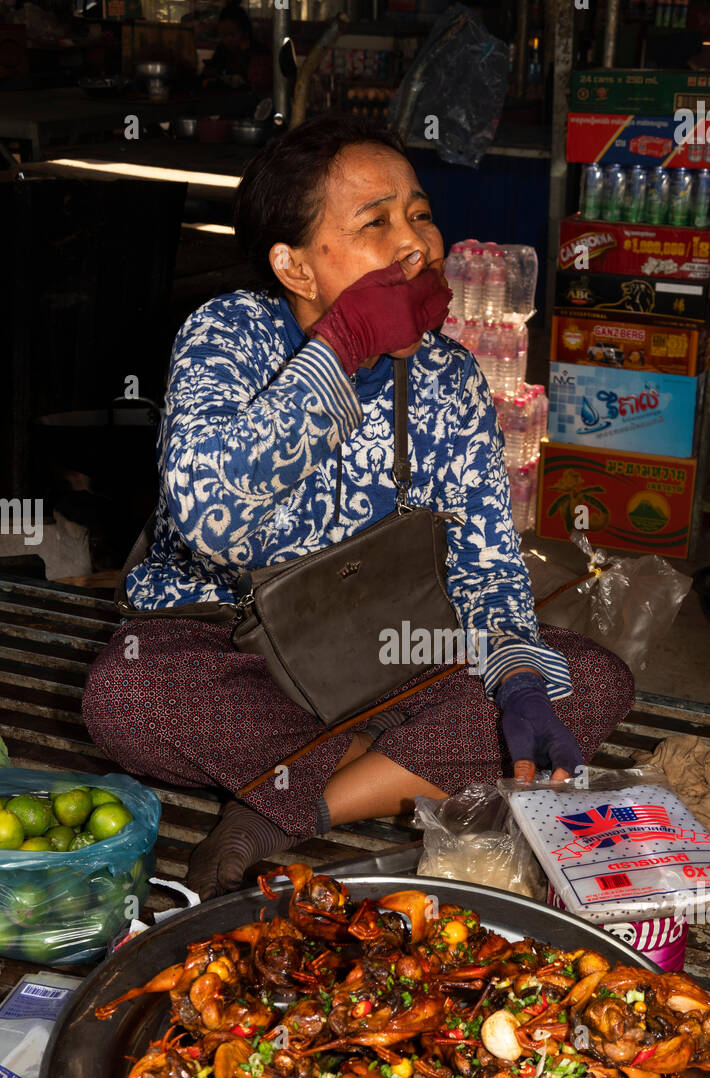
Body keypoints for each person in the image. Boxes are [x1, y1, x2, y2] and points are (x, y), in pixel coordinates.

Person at [82, 115, 635, 899]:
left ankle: (282, 809)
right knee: (127, 697)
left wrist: (515, 681)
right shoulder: (227, 335)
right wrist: (340, 349)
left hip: (389, 654)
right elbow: (212, 519)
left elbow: (486, 562)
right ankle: (403, 762)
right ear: (296, 267)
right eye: (375, 223)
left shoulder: (448, 376)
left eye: (419, 213)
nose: (416, 241)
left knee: (589, 679)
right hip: (228, 647)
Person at [201, 1, 270, 94]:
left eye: (231, 35)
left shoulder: (259, 53)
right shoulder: (222, 49)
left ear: (245, 32)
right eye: (223, 35)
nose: (227, 40)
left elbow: (258, 85)